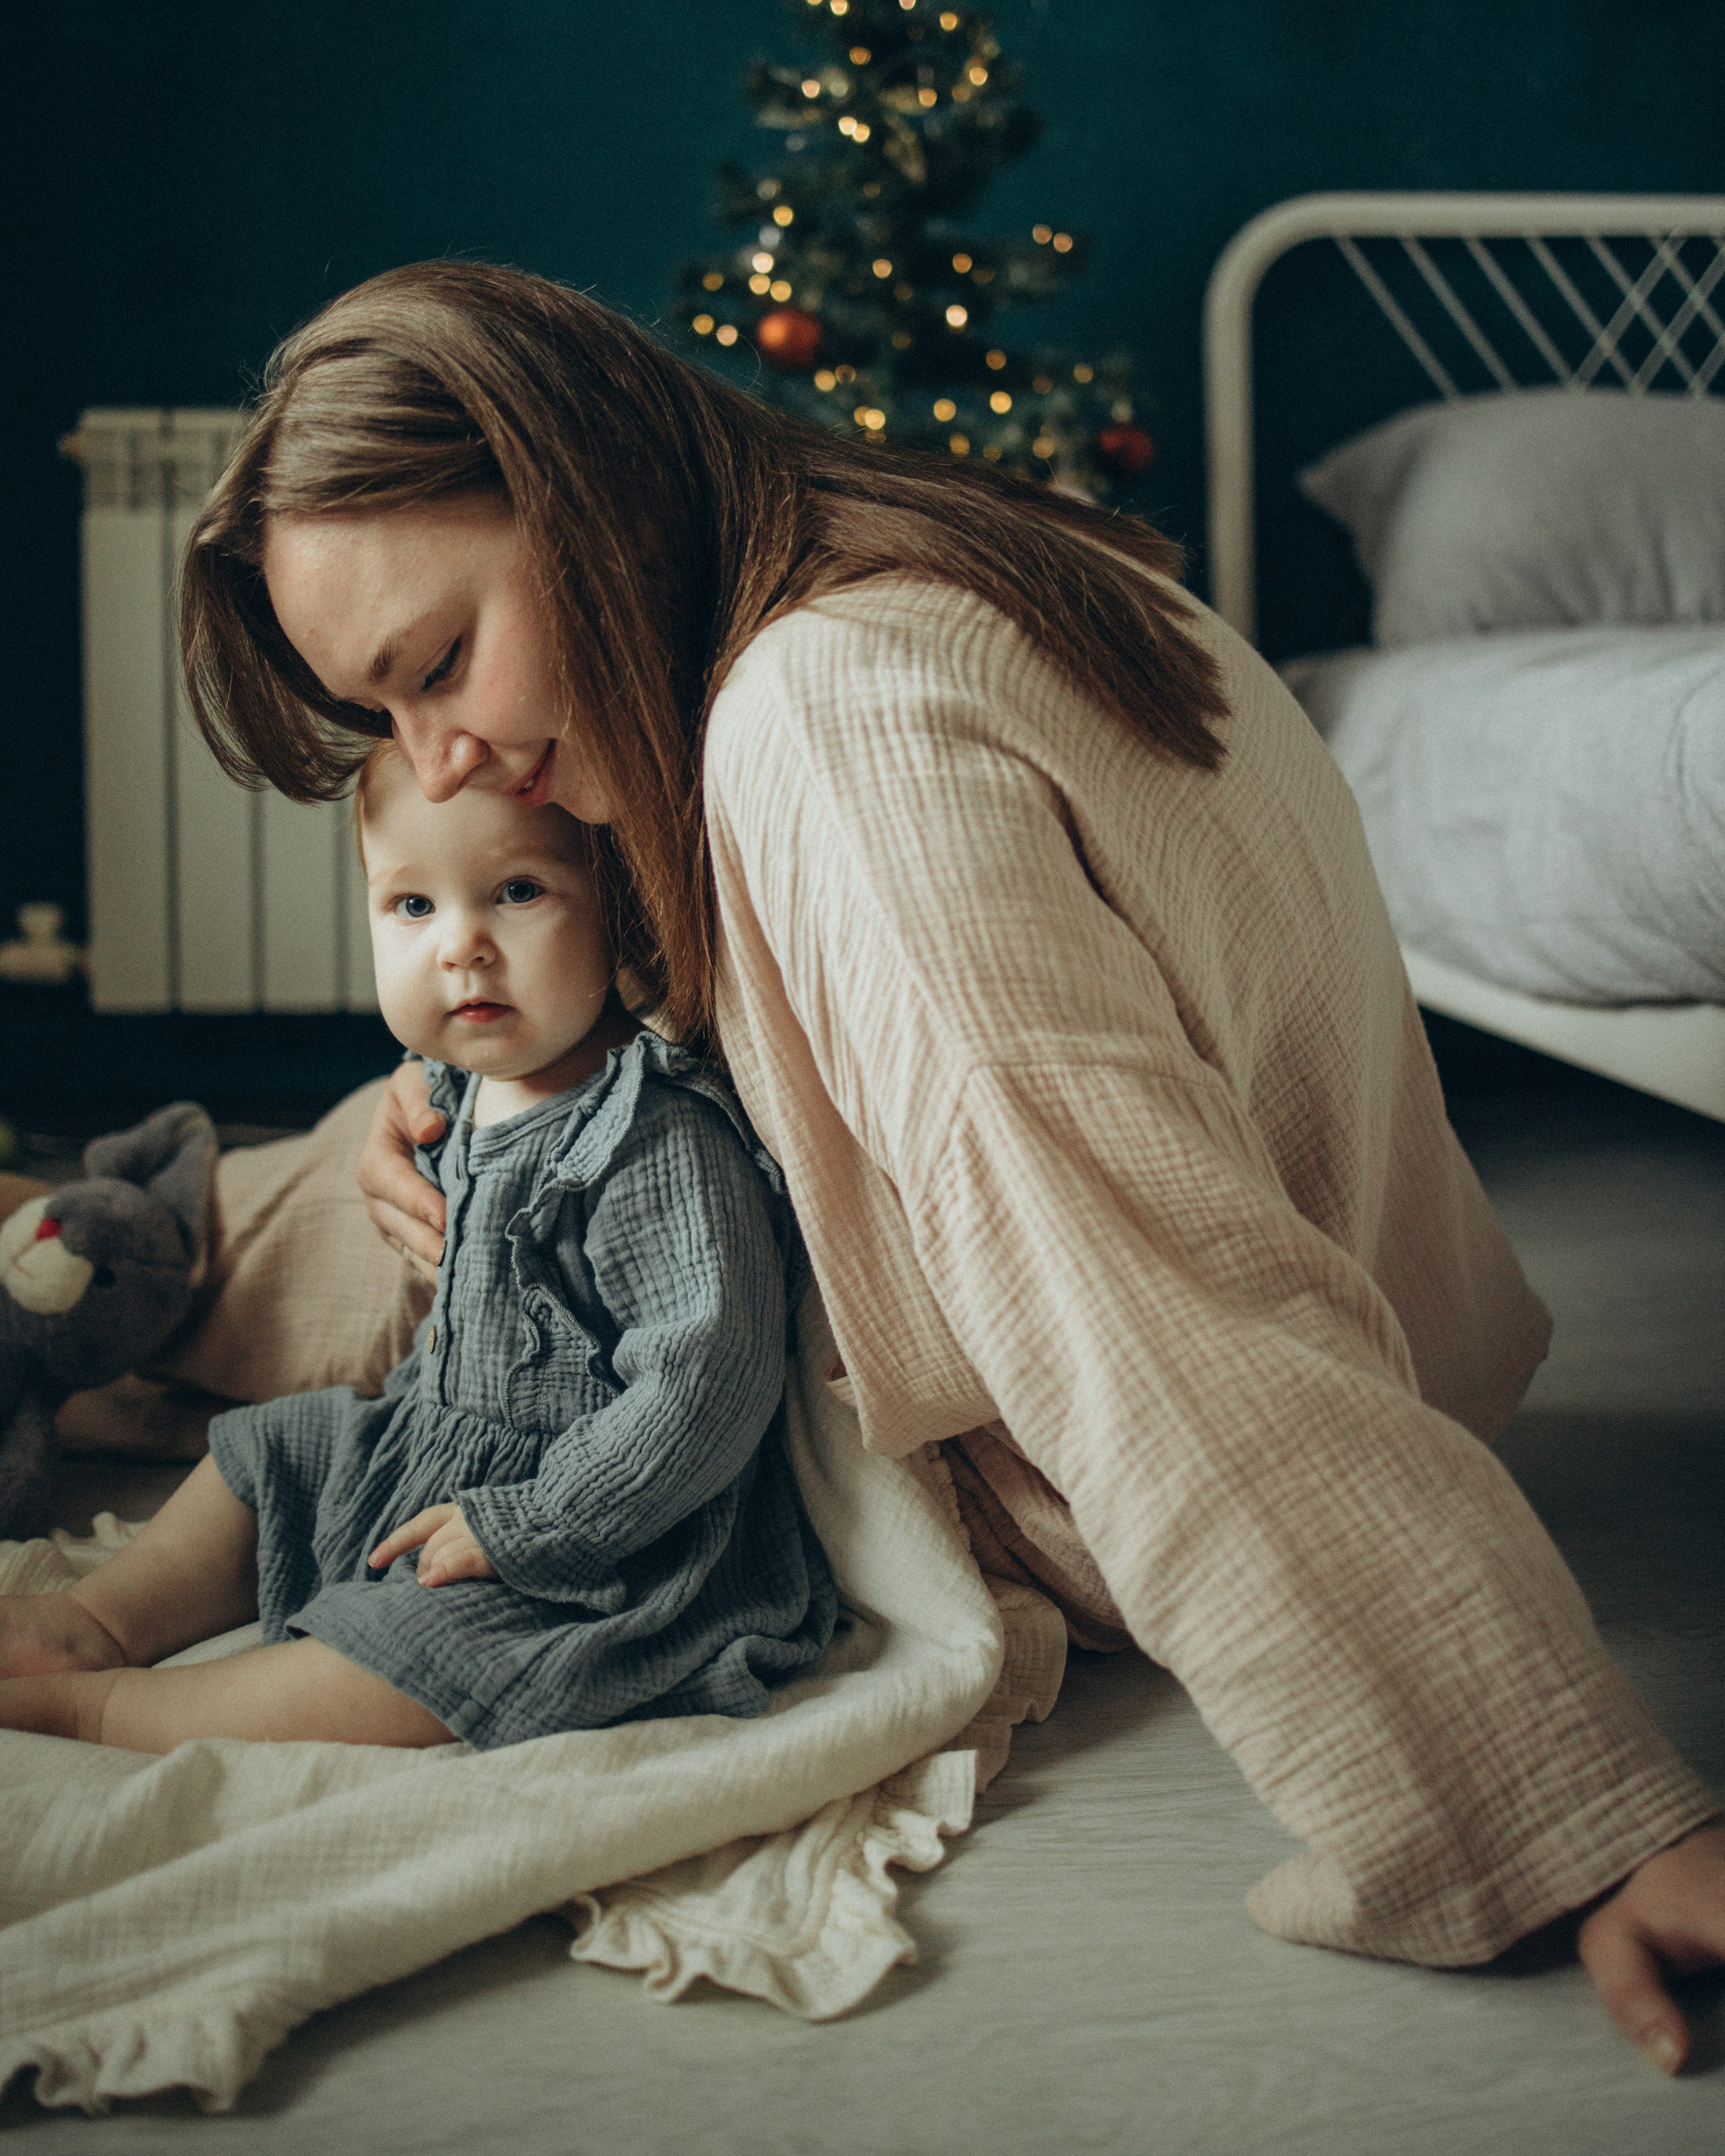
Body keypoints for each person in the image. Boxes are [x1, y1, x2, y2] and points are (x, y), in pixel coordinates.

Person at [55, 257, 1725, 2067]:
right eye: (385, 724)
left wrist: (1570, 1802)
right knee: (441, 1146)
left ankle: (89, 1261)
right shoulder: (954, 557)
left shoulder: (828, 724)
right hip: (1418, 1333)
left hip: (1112, 1470)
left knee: (457, 1245)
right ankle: (102, 1249)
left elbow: (1141, 1294)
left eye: (440, 665)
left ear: (586, 486)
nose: (448, 761)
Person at [0, 742, 834, 1752]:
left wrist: (532, 1524)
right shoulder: (452, 1086)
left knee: (435, 1650)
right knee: (273, 1452)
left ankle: (119, 1712)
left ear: (622, 909)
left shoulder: (653, 1136)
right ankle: (102, 1620)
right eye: (412, 906)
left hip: (600, 1526)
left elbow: (709, 1382)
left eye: (517, 892)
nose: (461, 947)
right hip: (429, 1437)